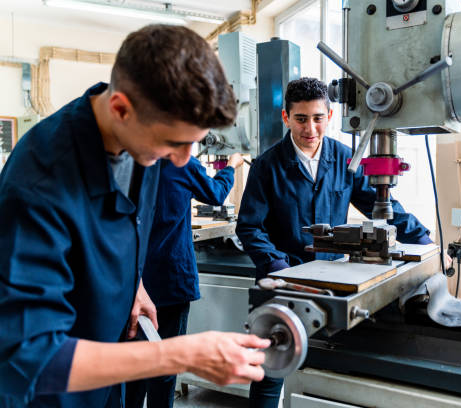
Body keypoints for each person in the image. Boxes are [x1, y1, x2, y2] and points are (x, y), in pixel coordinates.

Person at [0, 24, 268, 408]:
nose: (183, 159)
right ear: (121, 109)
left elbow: (120, 227)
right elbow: (30, 357)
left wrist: (134, 285)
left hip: (109, 377)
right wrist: (185, 354)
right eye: (174, 143)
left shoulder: (140, 139)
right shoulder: (39, 183)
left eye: (193, 142)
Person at [236, 77, 435, 408]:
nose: (310, 128)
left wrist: (422, 239)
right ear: (286, 117)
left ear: (329, 115)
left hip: (335, 282)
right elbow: (249, 227)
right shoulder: (266, 166)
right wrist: (277, 265)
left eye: (317, 118)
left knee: (330, 368)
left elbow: (380, 205)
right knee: (271, 368)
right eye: (300, 119)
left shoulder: (346, 159)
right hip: (285, 281)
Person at [125, 152, 244, 408]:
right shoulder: (183, 163)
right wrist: (231, 166)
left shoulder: (129, 162)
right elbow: (216, 193)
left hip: (132, 282)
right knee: (165, 367)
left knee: (131, 366)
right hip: (171, 279)